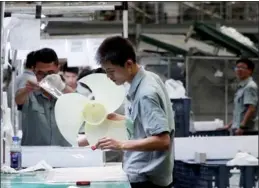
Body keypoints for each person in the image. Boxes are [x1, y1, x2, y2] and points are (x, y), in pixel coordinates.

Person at [94, 36, 175, 188]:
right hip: (147, 173)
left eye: (111, 71)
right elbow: (145, 122)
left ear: (128, 64)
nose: (109, 77)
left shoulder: (146, 93)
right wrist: (118, 118)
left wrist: (120, 144)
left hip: (147, 178)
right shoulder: (148, 78)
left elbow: (162, 140)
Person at [15, 48, 73, 146]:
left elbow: (79, 101)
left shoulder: (65, 93)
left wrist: (62, 86)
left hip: (62, 153)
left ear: (58, 69)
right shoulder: (29, 92)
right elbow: (18, 100)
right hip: (34, 154)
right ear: (34, 70)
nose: (46, 77)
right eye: (41, 73)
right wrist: (26, 90)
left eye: (50, 73)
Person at [222, 58, 258, 135]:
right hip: (237, 128)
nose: (239, 70)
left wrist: (242, 127)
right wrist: (229, 125)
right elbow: (240, 113)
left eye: (242, 67)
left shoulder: (250, 86)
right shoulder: (241, 87)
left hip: (244, 131)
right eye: (237, 67)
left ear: (250, 71)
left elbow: (251, 109)